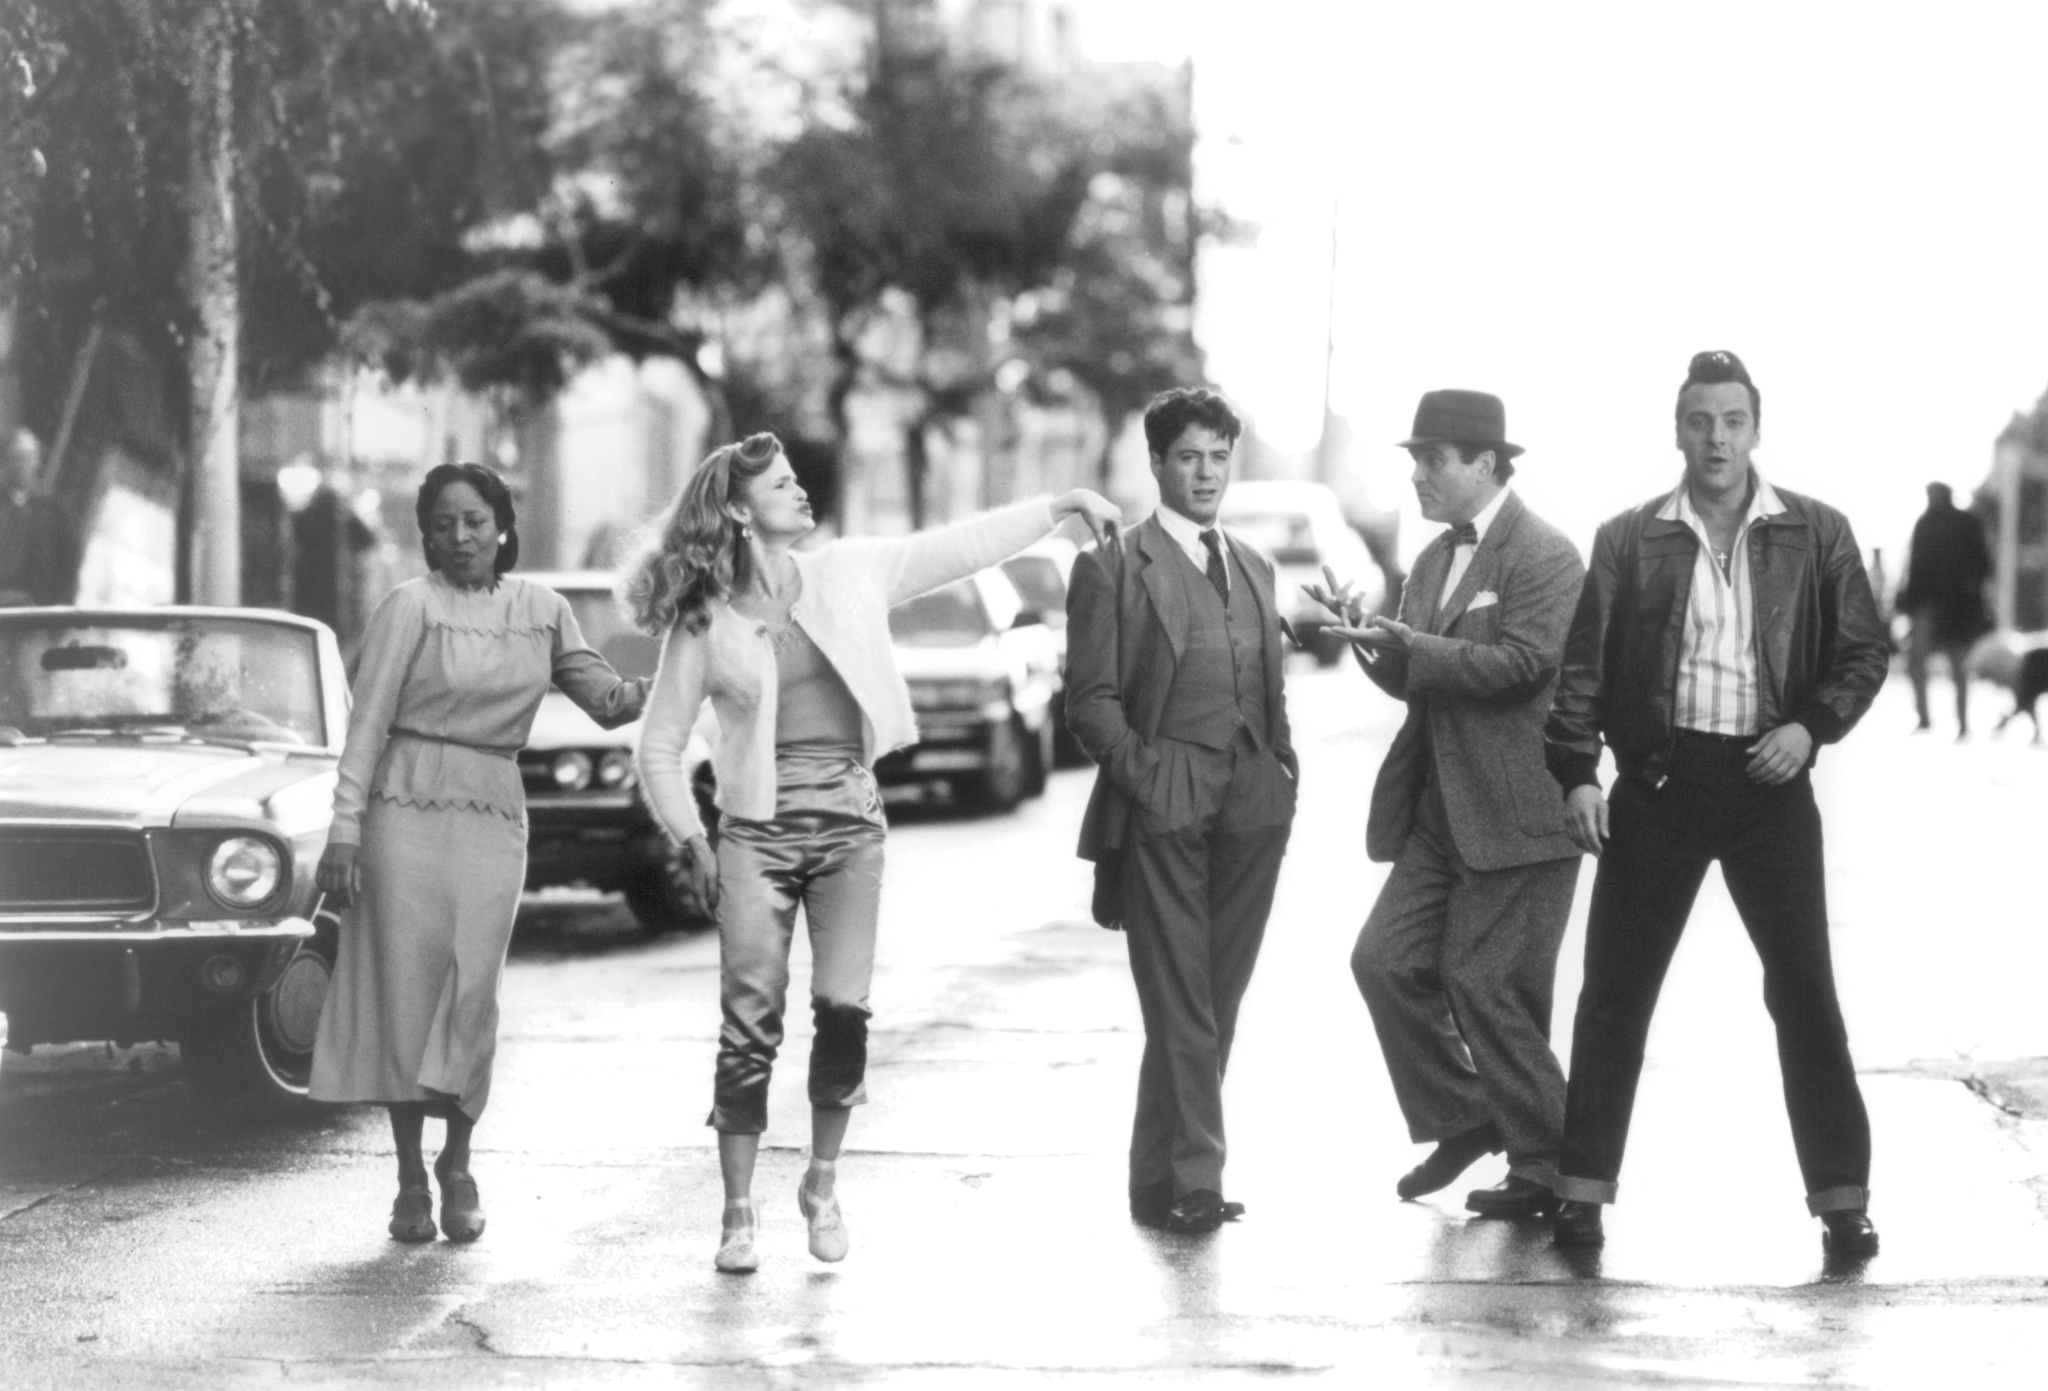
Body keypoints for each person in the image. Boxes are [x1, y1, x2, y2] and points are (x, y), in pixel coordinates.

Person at [629, 432, 1119, 1274]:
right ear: (742, 510)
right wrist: (692, 839)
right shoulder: (705, 618)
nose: (801, 491)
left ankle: (821, 1182)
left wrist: (1061, 505)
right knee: (749, 1024)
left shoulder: (851, 569)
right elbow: (659, 746)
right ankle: (737, 1213)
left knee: (845, 1009)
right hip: (754, 831)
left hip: (851, 821)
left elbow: (955, 548)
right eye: (782, 485)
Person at [1543, 351, 1890, 1255]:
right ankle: (1581, 1188)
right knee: (1615, 990)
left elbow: (1862, 653)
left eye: (1732, 421)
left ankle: (1842, 1196)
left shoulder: (1817, 531)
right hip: (1660, 779)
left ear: (1755, 430)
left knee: (1804, 989)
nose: (1717, 438)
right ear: (1678, 430)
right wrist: (1579, 769)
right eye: (1700, 421)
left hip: (1770, 781)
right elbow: (1584, 667)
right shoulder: (1628, 537)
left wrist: (1810, 728)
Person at [310, 463, 648, 1245]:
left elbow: (606, 701)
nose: (460, 537)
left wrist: (692, 673)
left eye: (475, 521)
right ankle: (406, 1177)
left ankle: (457, 1162)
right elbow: (367, 725)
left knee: (471, 993)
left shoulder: (545, 610)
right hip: (401, 812)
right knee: (405, 993)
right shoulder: (408, 606)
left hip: (494, 811)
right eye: (443, 524)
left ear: (502, 527)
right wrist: (344, 827)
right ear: (426, 534)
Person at [1316, 390, 1585, 1220]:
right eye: (1414, 460)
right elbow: (1414, 673)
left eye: (1434, 460)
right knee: (1384, 961)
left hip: (1520, 810)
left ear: (1487, 465)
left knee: (1486, 983)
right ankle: (1466, 1113)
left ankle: (1556, 1164)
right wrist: (1362, 636)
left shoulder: (1545, 556)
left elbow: (1523, 665)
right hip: (1439, 810)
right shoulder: (1432, 561)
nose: (1419, 475)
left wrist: (1412, 645)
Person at [1065, 387, 1299, 1235]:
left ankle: (1150, 1172)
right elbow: (1089, 700)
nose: (1207, 473)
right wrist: (1148, 775)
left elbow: (1270, 688)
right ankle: (1198, 1176)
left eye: (1219, 456)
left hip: (1253, 803)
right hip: (1163, 800)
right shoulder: (1113, 566)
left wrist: (1282, 771)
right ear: (1158, 464)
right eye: (1190, 457)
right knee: (1181, 1001)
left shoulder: (1257, 565)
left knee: (1216, 998)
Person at [1899, 482, 1992, 738]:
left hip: (1958, 606)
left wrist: (1969, 589)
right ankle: (1925, 717)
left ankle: (1962, 722)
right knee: (1917, 662)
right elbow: (1914, 566)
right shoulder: (1925, 523)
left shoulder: (1965, 522)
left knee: (1958, 665)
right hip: (1928, 604)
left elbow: (1983, 562)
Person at [0, 429, 77, 607]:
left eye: (27, 458)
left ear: (37, 463)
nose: (21, 464)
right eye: (16, 457)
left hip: (31, 613)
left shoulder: (53, 514)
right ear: (6, 461)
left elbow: (68, 569)